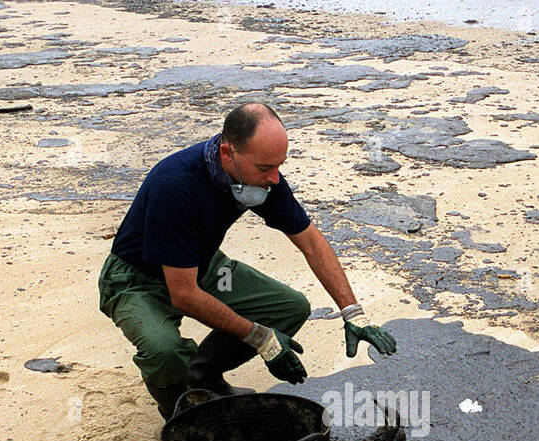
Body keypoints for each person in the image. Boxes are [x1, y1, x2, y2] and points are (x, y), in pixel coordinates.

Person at [98, 101, 397, 418]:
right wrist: (262, 339)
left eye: (279, 165)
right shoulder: (174, 185)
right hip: (135, 279)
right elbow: (183, 294)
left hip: (202, 264)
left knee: (290, 308)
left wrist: (353, 313)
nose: (275, 178)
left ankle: (204, 376)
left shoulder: (262, 176)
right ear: (228, 154)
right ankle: (180, 412)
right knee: (166, 351)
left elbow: (311, 241)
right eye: (265, 168)